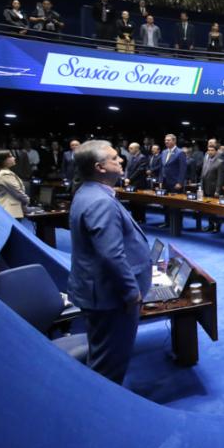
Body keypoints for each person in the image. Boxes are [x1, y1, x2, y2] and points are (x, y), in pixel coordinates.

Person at [68, 140, 151, 384]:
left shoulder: (87, 192)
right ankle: (102, 417)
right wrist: (131, 293)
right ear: (100, 167)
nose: (121, 160)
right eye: (114, 158)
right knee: (109, 367)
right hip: (111, 297)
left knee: (102, 355)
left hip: (100, 291)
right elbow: (111, 254)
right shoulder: (101, 201)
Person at [0, 149, 30, 220]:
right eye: (10, 156)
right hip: (12, 211)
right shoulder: (5, 174)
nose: (14, 158)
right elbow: (18, 193)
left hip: (7, 210)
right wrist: (27, 201)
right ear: (3, 160)